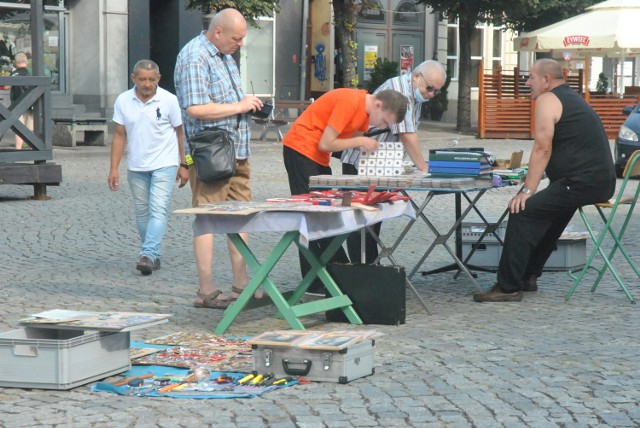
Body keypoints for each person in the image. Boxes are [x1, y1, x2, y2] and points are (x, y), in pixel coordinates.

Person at [473, 58, 616, 302]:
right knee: (552, 213)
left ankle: (508, 287)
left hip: (581, 182)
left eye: (531, 77)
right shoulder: (571, 98)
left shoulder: (548, 99)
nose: (527, 82)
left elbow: (542, 148)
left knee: (522, 211)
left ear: (546, 80)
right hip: (597, 181)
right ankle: (528, 276)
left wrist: (526, 192)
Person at [174, 8, 265, 309]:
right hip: (211, 153)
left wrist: (249, 106)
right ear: (218, 33)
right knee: (208, 219)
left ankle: (241, 285)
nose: (240, 44)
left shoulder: (225, 56)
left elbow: (230, 102)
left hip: (237, 150)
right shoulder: (195, 56)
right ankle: (207, 290)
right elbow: (195, 109)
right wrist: (240, 106)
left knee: (242, 217)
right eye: (236, 38)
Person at [282, 87, 408, 294]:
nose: (382, 127)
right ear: (378, 105)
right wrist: (360, 141)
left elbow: (340, 142)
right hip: (301, 150)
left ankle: (333, 274)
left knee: (324, 214)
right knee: (312, 215)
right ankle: (321, 278)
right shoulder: (350, 102)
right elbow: (326, 143)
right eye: (385, 121)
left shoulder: (365, 113)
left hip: (317, 157)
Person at [340, 60, 446, 263]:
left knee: (373, 219)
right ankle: (359, 272)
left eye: (436, 91)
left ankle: (369, 265)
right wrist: (423, 168)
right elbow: (407, 134)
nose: (431, 94)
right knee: (360, 220)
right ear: (416, 76)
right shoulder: (400, 91)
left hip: (379, 164)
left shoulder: (414, 92)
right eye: (430, 88)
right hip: (360, 163)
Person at [108, 59, 188, 275]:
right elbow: (119, 135)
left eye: (151, 79)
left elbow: (182, 134)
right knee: (142, 213)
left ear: (158, 79)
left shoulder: (169, 100)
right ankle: (153, 254)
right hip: (136, 165)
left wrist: (185, 164)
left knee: (158, 209)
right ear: (133, 78)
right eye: (142, 79)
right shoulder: (123, 101)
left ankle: (148, 254)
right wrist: (113, 168)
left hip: (166, 163)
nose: (147, 84)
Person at [9, 52, 33, 150]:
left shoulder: (14, 73)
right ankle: (34, 149)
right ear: (26, 62)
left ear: (17, 62)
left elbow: (6, 86)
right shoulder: (30, 72)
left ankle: (18, 149)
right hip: (30, 103)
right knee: (30, 128)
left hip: (17, 104)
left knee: (19, 129)